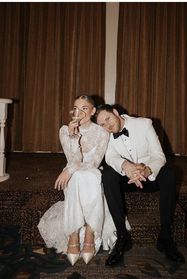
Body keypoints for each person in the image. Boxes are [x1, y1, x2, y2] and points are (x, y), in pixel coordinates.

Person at [95, 104, 185, 267]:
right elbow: (110, 157)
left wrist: (146, 170)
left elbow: (159, 156)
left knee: (169, 175)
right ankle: (122, 236)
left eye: (108, 119)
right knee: (107, 176)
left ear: (115, 113)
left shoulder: (144, 124)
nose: (106, 125)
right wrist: (126, 166)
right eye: (102, 124)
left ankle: (165, 236)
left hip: (149, 177)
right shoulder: (105, 134)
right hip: (127, 179)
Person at [38, 96, 118, 266]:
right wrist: (73, 137)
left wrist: (70, 170)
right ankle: (74, 233)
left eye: (85, 108)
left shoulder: (102, 132)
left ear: (93, 111)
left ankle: (90, 232)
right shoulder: (64, 130)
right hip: (74, 173)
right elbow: (72, 158)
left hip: (91, 171)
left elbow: (95, 162)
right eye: (76, 108)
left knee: (88, 175)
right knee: (78, 177)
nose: (79, 112)